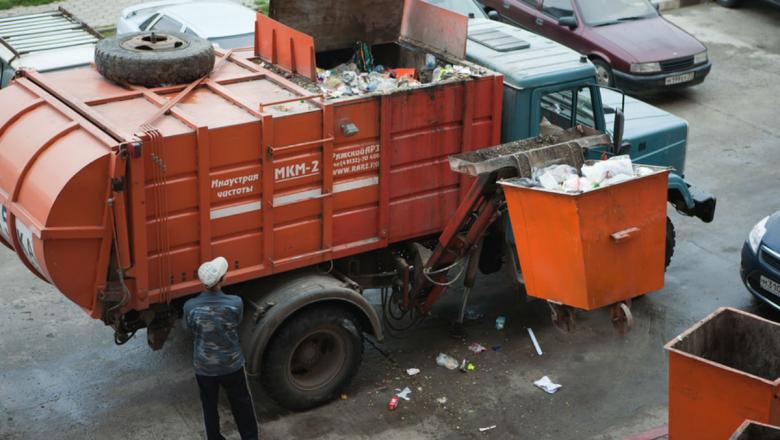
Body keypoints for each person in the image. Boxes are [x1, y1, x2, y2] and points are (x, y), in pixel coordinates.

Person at [184, 256, 259, 440]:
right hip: (231, 364)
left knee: (209, 407)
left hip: (204, 367)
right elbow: (237, 322)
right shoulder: (235, 303)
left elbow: (190, 328)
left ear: (202, 283)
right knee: (242, 404)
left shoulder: (190, 307)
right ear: (222, 280)